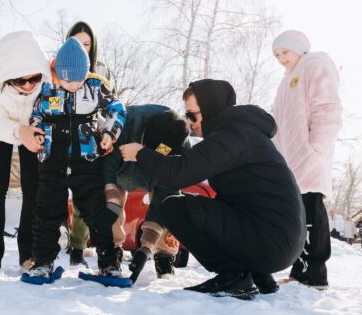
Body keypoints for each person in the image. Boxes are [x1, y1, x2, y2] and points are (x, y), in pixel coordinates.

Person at [120, 79, 306, 299]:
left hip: (271, 240)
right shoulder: (240, 131)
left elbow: (181, 172)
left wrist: (140, 153)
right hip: (278, 238)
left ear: (210, 109)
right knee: (219, 205)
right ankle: (257, 275)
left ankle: (233, 276)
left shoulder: (232, 136)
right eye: (186, 115)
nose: (189, 123)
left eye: (192, 115)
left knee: (173, 207)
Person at [23, 37, 127, 283]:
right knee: (46, 212)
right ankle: (42, 263)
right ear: (58, 73)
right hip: (52, 163)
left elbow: (119, 109)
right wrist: (36, 132)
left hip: (87, 161)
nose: (72, 84)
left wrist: (111, 133)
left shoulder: (95, 87)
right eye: (67, 79)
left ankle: (109, 264)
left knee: (96, 212)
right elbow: (36, 114)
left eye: (78, 79)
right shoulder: (47, 89)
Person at [0, 31, 51, 273]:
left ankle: (29, 253)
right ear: (7, 77)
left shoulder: (48, 75)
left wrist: (35, 131)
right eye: (20, 81)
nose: (29, 86)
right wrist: (19, 131)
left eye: (34, 79)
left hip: (35, 126)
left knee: (34, 186)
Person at [271, 30, 342, 289]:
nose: (280, 58)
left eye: (284, 52)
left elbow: (327, 107)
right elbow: (277, 122)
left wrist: (316, 148)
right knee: (297, 219)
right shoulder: (286, 79)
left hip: (310, 158)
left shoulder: (315, 64)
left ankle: (315, 275)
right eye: (276, 54)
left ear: (299, 48)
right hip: (290, 160)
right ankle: (299, 272)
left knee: (311, 216)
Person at [61, 21, 126, 267]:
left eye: (86, 44)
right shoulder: (59, 74)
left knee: (95, 198)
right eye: (76, 43)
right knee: (68, 199)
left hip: (94, 142)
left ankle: (110, 252)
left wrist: (107, 131)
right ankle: (75, 247)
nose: (82, 49)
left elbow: (112, 106)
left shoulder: (100, 74)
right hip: (65, 148)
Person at [101, 106, 191, 282]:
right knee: (110, 203)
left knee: (170, 205)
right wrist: (111, 196)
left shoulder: (181, 146)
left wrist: (146, 248)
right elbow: (106, 169)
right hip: (121, 171)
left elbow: (165, 195)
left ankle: (165, 257)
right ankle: (111, 254)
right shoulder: (124, 123)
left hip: (157, 177)